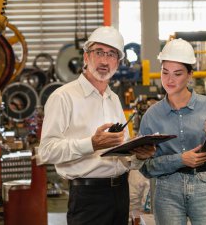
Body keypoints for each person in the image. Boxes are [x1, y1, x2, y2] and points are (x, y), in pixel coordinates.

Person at [38, 26, 155, 225]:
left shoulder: (113, 99)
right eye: (99, 52)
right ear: (86, 57)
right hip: (88, 197)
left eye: (111, 54)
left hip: (120, 193)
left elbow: (121, 153)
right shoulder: (63, 97)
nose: (104, 60)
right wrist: (91, 144)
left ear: (118, 62)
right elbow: (46, 152)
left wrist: (137, 157)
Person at [138, 38, 206, 225]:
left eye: (177, 74)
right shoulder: (151, 116)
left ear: (190, 75)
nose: (169, 80)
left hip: (205, 187)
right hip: (167, 190)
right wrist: (180, 160)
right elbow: (145, 167)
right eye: (164, 72)